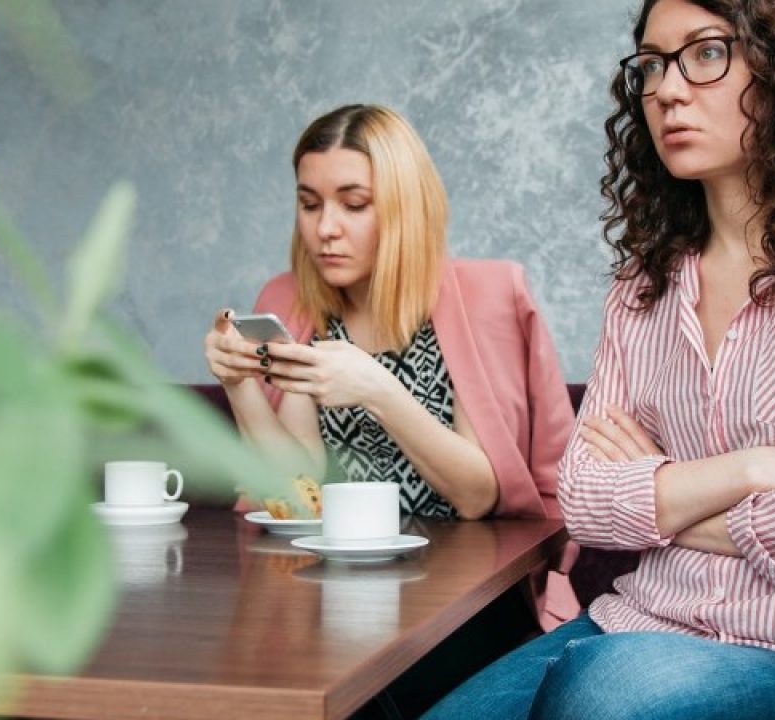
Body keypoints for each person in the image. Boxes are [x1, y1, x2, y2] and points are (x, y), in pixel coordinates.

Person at [423, 0, 775, 719]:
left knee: (604, 697)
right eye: (652, 66)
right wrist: (753, 469)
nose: (669, 91)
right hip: (639, 620)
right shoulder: (642, 284)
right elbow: (585, 500)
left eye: (706, 53)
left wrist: (666, 496)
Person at [203, 104, 581, 630]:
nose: (325, 229)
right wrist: (238, 383)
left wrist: (377, 390)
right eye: (309, 204)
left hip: (466, 597)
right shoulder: (291, 301)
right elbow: (297, 487)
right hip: (328, 590)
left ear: (406, 208)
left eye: (354, 204)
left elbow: (477, 496)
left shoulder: (486, 297)